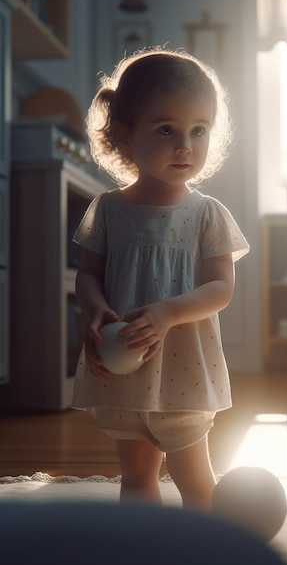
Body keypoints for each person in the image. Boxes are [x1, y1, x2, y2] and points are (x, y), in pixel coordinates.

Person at [72, 47, 249, 511]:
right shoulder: (109, 210)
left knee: (196, 486)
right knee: (136, 479)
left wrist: (168, 312)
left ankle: (204, 549)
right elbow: (87, 277)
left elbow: (221, 288)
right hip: (121, 374)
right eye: (166, 129)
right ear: (125, 135)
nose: (185, 145)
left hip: (183, 372)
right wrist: (95, 312)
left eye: (199, 130)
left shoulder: (207, 214)